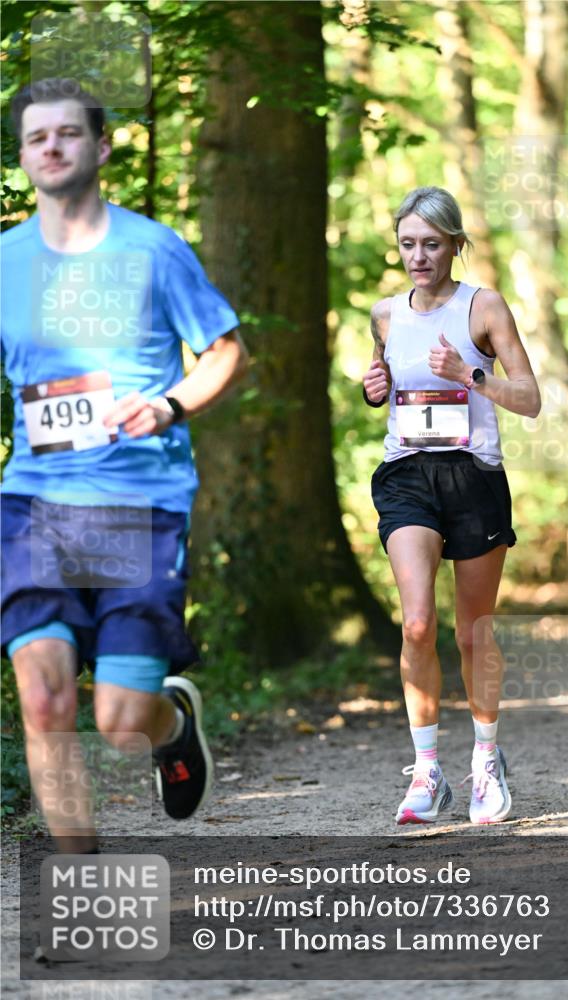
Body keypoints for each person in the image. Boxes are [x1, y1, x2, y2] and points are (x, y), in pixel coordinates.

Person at [1, 78, 248, 852]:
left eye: (68, 134)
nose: (51, 147)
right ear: (22, 156)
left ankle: (169, 725)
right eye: (36, 137)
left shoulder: (152, 249)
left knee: (117, 720)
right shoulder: (5, 259)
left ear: (100, 148)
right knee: (43, 700)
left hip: (138, 501)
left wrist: (170, 405)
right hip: (33, 502)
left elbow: (224, 348)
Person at [362, 187, 540, 826]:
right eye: (408, 243)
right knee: (416, 624)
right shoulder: (385, 314)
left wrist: (470, 375)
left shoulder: (483, 306)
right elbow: (383, 381)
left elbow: (529, 397)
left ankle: (485, 760)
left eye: (432, 244)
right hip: (407, 475)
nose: (419, 256)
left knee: (472, 631)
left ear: (455, 245)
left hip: (473, 477)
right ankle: (428, 768)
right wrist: (373, 388)